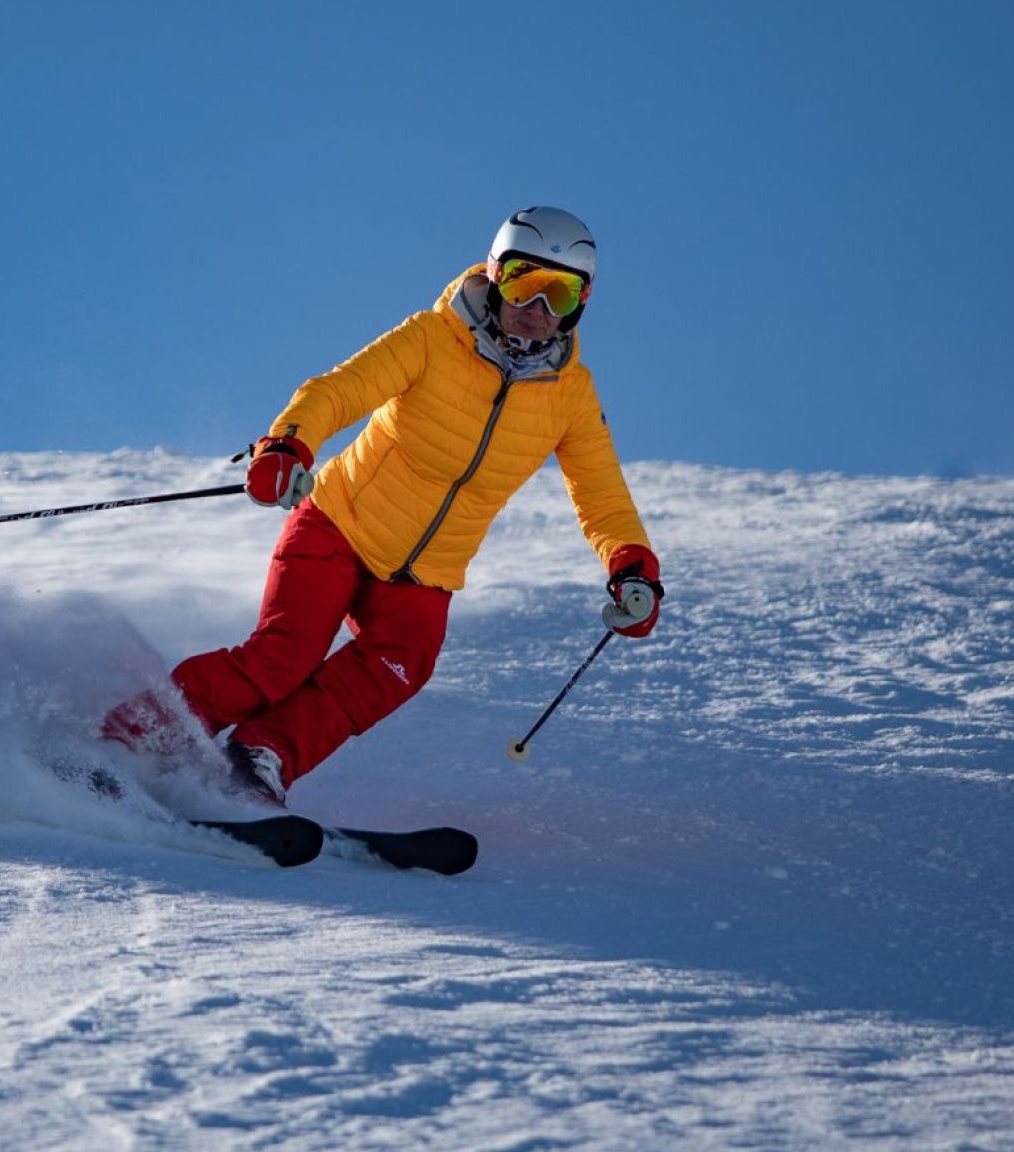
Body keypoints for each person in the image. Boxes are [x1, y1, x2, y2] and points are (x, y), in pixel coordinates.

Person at [103, 206, 662, 805]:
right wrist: (288, 446)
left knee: (400, 666)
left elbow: (601, 490)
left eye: (562, 292)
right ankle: (131, 739)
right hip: (340, 524)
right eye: (526, 282)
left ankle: (261, 756)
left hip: (426, 573)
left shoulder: (571, 396)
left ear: (582, 301)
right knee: (283, 656)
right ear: (497, 275)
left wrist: (632, 566)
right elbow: (339, 390)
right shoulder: (432, 338)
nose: (539, 308)